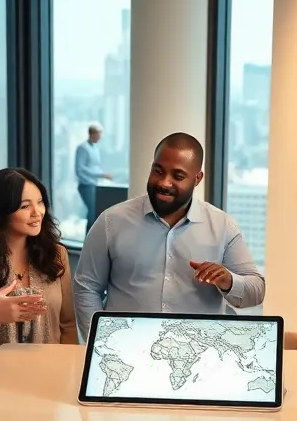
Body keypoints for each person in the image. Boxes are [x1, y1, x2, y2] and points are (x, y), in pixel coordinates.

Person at [74, 132, 264, 339]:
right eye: (158, 171)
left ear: (197, 179)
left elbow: (256, 290)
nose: (164, 182)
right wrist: (99, 342)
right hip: (126, 354)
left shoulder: (222, 226)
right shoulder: (111, 221)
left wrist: (228, 280)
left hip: (198, 356)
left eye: (178, 176)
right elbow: (87, 287)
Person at [0, 168, 75, 378]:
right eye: (25, 206)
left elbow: (68, 325)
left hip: (47, 380)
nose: (37, 213)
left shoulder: (56, 254)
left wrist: (69, 375)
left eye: (41, 202)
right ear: (0, 211)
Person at [75, 123, 111, 230]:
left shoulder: (95, 148)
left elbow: (95, 167)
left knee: (94, 212)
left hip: (94, 184)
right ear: (92, 133)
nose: (100, 137)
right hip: (86, 185)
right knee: (92, 213)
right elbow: (80, 168)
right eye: (99, 133)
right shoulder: (82, 148)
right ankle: (88, 240)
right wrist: (101, 175)